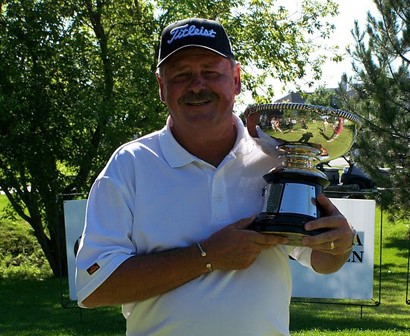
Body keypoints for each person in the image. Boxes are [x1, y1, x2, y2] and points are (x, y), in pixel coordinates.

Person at [75, 17, 356, 336]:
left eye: (210, 72)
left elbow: (321, 258)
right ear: (161, 87)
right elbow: (94, 287)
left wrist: (340, 244)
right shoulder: (130, 165)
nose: (197, 85)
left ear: (235, 80)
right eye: (181, 75)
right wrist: (207, 257)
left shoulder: (276, 158)